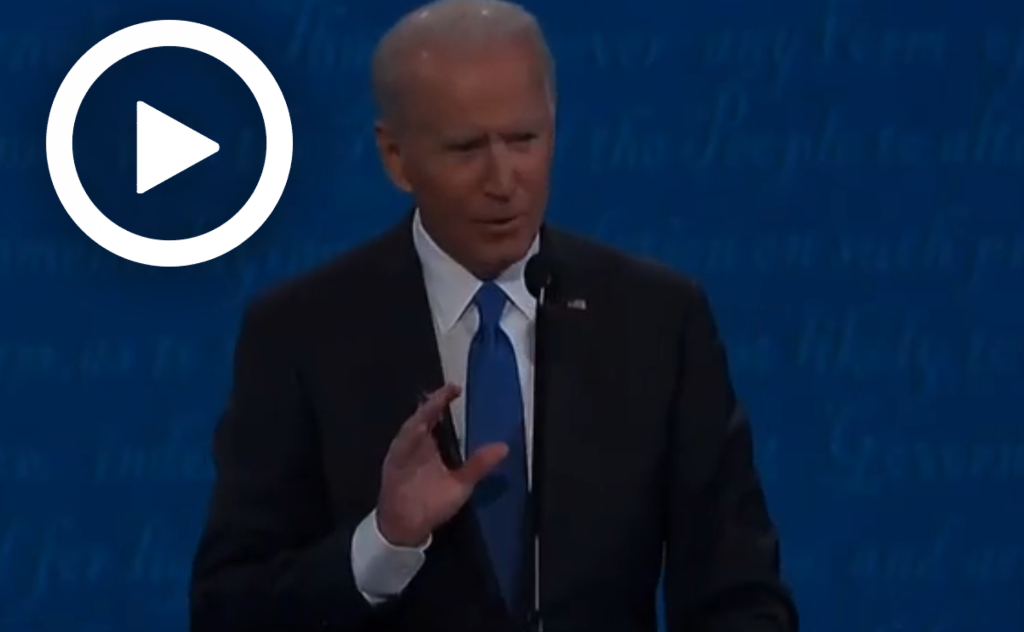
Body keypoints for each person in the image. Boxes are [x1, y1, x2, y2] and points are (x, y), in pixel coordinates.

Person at [188, 1, 798, 630]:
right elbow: (228, 609)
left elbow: (741, 595)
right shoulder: (301, 333)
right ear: (395, 157)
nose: (504, 181)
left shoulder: (657, 322)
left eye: (523, 140)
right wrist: (384, 543)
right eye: (465, 148)